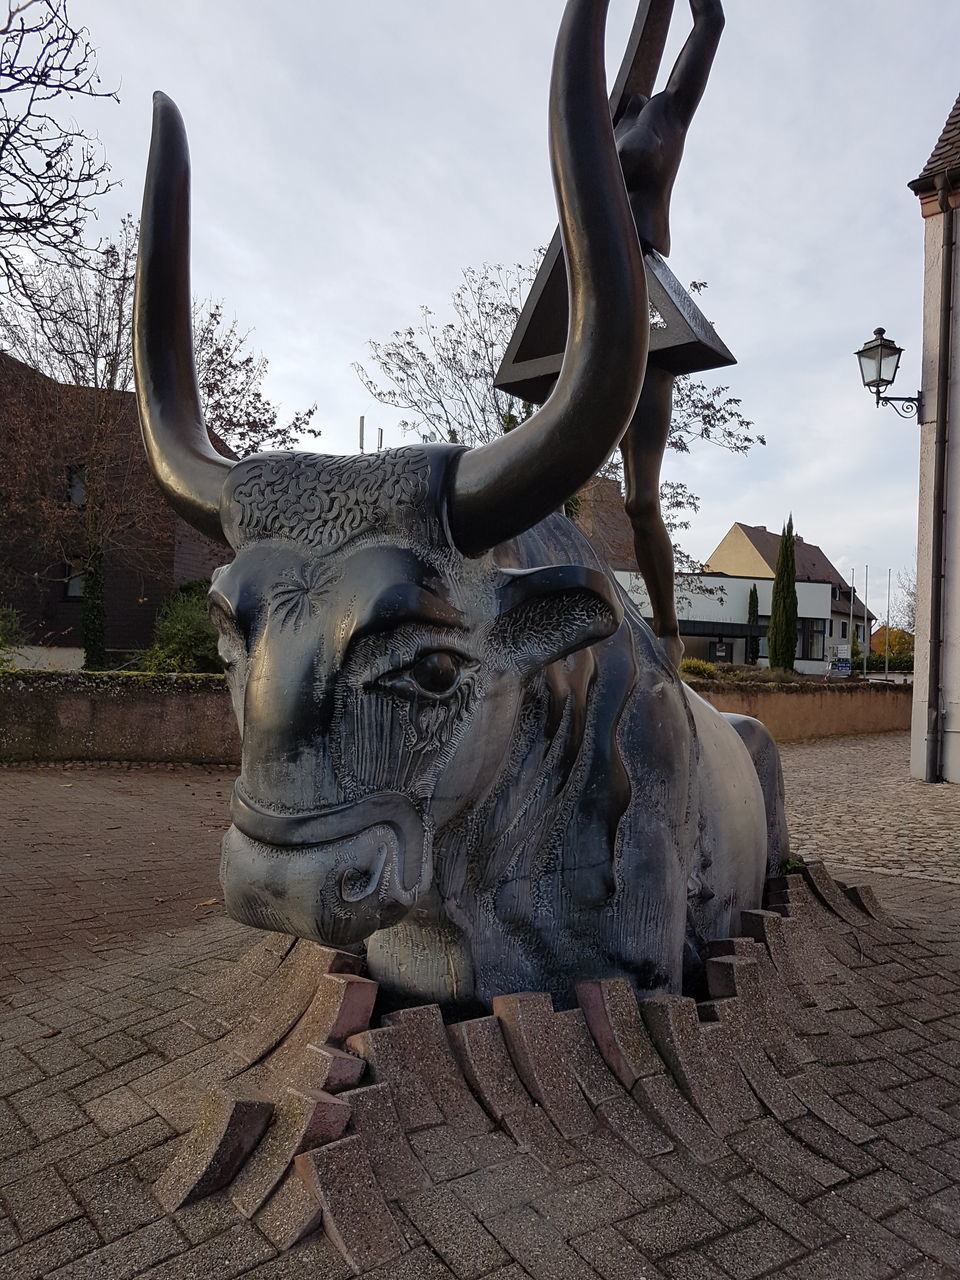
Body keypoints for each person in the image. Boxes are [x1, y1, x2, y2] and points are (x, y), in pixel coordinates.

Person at [614, 0, 724, 669]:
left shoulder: (667, 114)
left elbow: (709, 24)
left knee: (638, 497)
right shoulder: (603, 117)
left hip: (648, 303)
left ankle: (668, 631)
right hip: (593, 299)